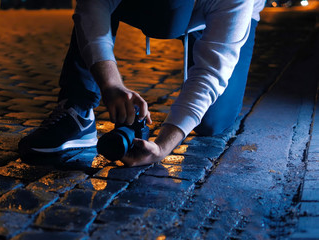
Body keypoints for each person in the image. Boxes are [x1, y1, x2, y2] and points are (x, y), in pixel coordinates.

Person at [19, 0, 266, 166]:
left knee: (212, 123)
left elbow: (212, 71)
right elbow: (92, 7)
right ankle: (77, 108)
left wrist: (162, 147)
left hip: (212, 15)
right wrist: (111, 84)